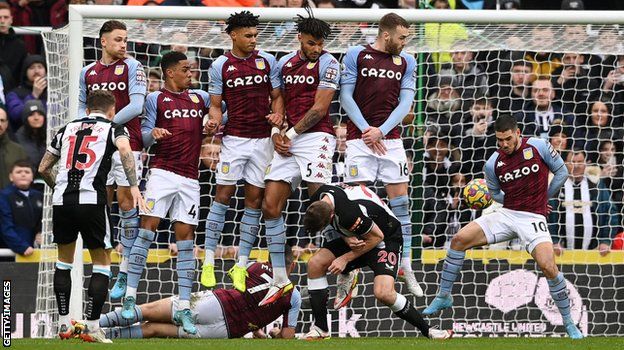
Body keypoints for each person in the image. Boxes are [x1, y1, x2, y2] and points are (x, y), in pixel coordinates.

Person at [422, 115, 583, 339]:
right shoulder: (492, 164)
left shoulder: (538, 146)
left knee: (548, 266)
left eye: (507, 139)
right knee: (458, 240)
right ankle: (444, 296)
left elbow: (562, 172)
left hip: (532, 216)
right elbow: (495, 193)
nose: (504, 144)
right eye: (500, 140)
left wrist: (544, 198)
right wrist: (501, 199)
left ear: (517, 133)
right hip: (506, 213)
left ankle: (568, 322)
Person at [37, 90, 147, 343]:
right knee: (102, 262)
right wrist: (132, 185)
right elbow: (125, 150)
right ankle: (92, 326)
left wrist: (59, 188)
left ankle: (64, 325)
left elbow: (43, 167)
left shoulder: (66, 128)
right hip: (92, 202)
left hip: (62, 201)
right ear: (111, 111)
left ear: (87, 110)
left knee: (63, 262)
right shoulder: (113, 127)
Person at [121, 51, 210, 335]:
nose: (190, 74)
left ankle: (184, 306)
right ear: (170, 72)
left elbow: (222, 113)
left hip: (190, 179)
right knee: (147, 229)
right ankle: (130, 296)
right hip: (161, 173)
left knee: (186, 240)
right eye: (185, 69)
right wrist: (154, 134)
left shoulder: (201, 98)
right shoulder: (155, 99)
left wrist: (215, 121)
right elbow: (144, 136)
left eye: (191, 70)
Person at [201, 11, 284, 298]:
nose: (253, 40)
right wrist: (213, 121)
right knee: (222, 195)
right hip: (234, 140)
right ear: (233, 35)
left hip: (262, 142)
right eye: (247, 35)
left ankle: (241, 263)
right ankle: (209, 260)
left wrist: (278, 115)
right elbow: (215, 105)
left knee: (255, 202)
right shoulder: (220, 65)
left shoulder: (268, 61)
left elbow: (277, 97)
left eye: (255, 35)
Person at [339, 12, 423, 297]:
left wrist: (381, 131)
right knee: (353, 206)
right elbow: (345, 96)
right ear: (386, 35)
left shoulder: (408, 61)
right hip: (358, 140)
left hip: (391, 141)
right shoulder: (355, 55)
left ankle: (406, 265)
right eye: (402, 37)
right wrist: (366, 130)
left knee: (401, 203)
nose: (405, 42)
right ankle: (349, 272)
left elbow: (405, 103)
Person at [259, 9, 339, 306]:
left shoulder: (330, 63)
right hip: (287, 138)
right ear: (299, 39)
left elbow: (319, 109)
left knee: (321, 204)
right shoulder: (284, 63)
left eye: (320, 43)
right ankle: (279, 277)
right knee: (270, 205)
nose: (316, 49)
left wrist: (288, 136)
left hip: (317, 136)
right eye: (311, 43)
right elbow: (277, 99)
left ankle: (344, 262)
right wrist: (277, 128)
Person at [301, 184, 453, 340]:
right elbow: (337, 224)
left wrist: (345, 258)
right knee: (315, 264)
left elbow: (376, 237)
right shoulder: (319, 198)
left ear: (332, 214)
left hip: (385, 238)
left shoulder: (349, 214)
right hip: (361, 232)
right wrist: (347, 238)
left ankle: (429, 331)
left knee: (384, 293)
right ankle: (321, 329)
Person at [94, 245, 300, 340]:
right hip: (226, 332)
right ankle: (110, 336)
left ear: (271, 258)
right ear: (294, 264)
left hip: (216, 305)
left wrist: (258, 330)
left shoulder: (257, 266)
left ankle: (94, 325)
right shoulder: (294, 295)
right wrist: (274, 333)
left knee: (148, 310)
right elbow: (288, 335)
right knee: (153, 330)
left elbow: (249, 293)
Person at [79, 20, 147, 301]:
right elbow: (81, 106)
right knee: (99, 199)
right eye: (118, 40)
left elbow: (137, 105)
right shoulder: (87, 71)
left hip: (126, 143)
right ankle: (103, 258)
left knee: (127, 201)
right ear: (103, 41)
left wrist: (105, 127)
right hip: (98, 145)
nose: (123, 45)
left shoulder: (133, 67)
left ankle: (126, 268)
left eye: (125, 40)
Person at [549, 149, 618, 256]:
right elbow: (546, 215)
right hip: (560, 253)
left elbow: (611, 213)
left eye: (580, 162)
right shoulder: (556, 188)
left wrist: (605, 241)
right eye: (572, 162)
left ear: (587, 163)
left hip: (594, 253)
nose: (576, 166)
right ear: (564, 164)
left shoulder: (596, 186)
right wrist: (553, 241)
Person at [0, 160, 42, 257]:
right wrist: (21, 246)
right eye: (19, 172)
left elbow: (42, 220)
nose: (23, 174)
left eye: (27, 172)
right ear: (11, 177)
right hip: (9, 251)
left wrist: (40, 233)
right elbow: (5, 227)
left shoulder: (39, 196)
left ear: (32, 177)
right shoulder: (4, 196)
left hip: (34, 251)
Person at [6, 54, 47, 132]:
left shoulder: (53, 94)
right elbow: (15, 115)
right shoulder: (14, 93)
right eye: (32, 68)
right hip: (24, 138)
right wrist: (34, 95)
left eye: (40, 67)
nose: (36, 71)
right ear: (25, 72)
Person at [0, 2, 27, 91]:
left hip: (13, 94)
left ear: (11, 19)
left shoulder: (20, 46)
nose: (2, 21)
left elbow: (22, 76)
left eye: (6, 17)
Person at [0, 107, 27, 189]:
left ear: (7, 124)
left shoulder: (18, 150)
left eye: (2, 120)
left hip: (12, 200)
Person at [14, 100, 46, 170]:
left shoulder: (50, 135)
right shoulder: (18, 138)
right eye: (31, 114)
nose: (36, 118)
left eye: (40, 114)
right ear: (25, 118)